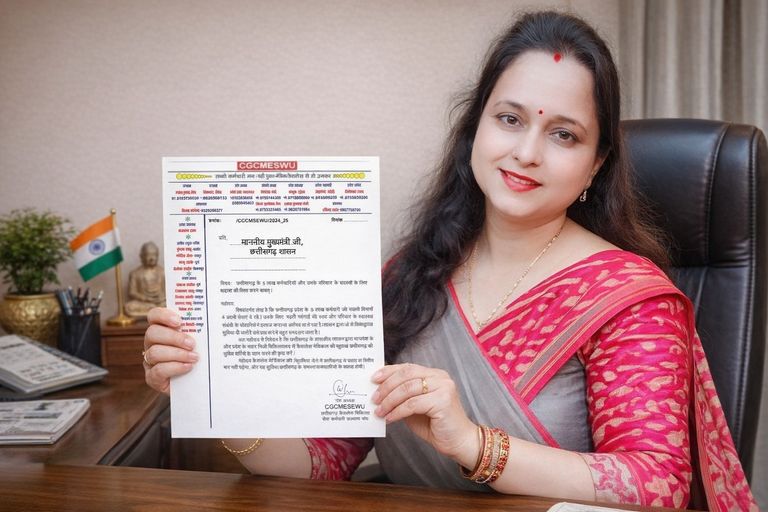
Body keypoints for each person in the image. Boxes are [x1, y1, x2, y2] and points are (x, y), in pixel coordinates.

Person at [142, 10, 756, 511]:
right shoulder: (411, 275)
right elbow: (326, 461)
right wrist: (215, 393)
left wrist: (473, 444)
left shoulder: (627, 299)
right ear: (475, 130)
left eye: (563, 134)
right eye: (509, 119)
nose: (526, 152)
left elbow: (656, 484)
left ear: (596, 165)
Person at [126, 241, 166, 318]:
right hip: (145, 303)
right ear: (141, 256)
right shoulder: (135, 273)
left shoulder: (163, 272)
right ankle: (156, 312)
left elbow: (167, 292)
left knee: (170, 304)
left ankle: (154, 311)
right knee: (129, 307)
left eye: (154, 255)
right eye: (148, 255)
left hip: (160, 302)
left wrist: (161, 298)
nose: (152, 258)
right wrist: (146, 299)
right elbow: (132, 292)